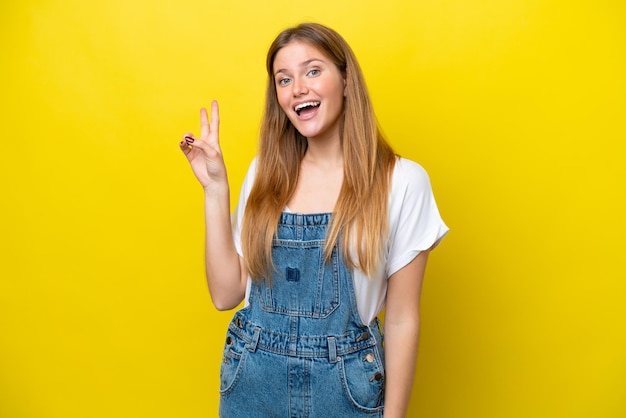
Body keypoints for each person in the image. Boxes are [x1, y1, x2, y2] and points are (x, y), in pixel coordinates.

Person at [179, 22, 448, 418]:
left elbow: (403, 319)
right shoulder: (264, 175)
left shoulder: (402, 182)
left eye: (312, 71)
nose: (297, 88)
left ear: (345, 79)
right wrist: (215, 191)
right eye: (283, 79)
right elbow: (225, 294)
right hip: (253, 386)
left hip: (345, 392)